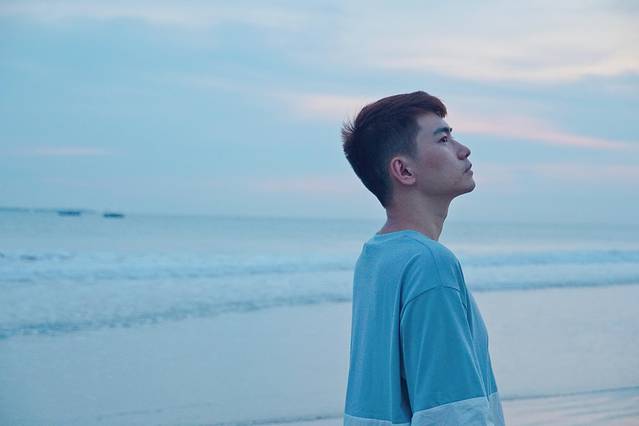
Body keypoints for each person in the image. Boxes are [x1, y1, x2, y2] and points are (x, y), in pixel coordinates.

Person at [341, 91, 505, 425]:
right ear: (403, 170)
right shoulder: (429, 264)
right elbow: (453, 415)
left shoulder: (376, 258)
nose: (463, 149)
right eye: (443, 139)